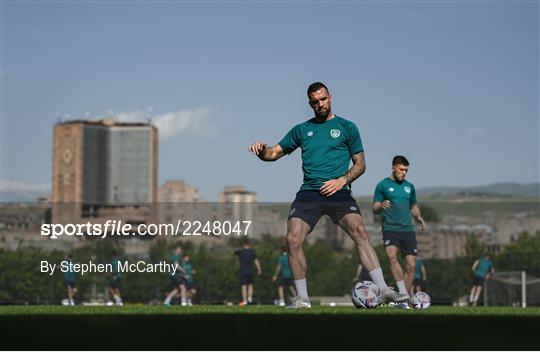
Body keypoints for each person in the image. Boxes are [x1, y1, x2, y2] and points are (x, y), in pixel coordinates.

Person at [248, 82, 408, 308]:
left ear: (330, 98)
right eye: (315, 101)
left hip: (339, 192)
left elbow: (360, 165)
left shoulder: (347, 127)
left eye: (323, 99)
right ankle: (303, 299)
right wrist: (261, 150)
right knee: (292, 239)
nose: (320, 104)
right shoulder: (301, 130)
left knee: (360, 231)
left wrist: (342, 180)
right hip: (309, 193)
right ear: (310, 103)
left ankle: (383, 290)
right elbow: (273, 153)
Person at [373, 155, 426, 303]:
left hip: (408, 230)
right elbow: (374, 208)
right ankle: (402, 293)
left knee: (411, 266)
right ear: (393, 167)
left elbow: (413, 206)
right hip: (390, 228)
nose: (404, 173)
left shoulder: (409, 187)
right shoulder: (382, 185)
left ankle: (403, 299)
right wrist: (381, 205)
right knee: (391, 256)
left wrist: (419, 217)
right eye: (402, 169)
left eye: (406, 170)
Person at [233, 240, 262, 306]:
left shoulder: (240, 252)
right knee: (250, 285)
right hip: (250, 271)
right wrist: (259, 269)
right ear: (249, 244)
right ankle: (250, 299)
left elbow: (232, 252)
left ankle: (245, 300)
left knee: (244, 286)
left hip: (243, 271)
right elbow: (256, 261)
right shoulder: (252, 252)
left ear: (243, 245)